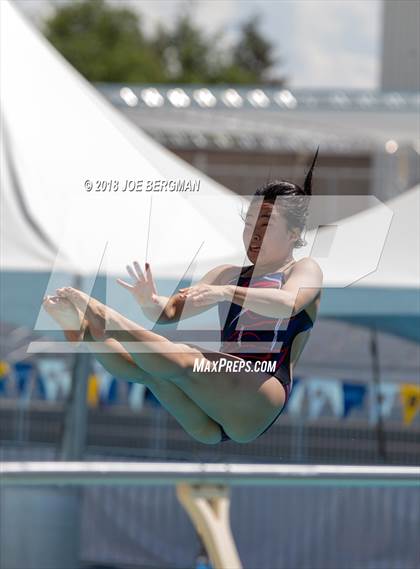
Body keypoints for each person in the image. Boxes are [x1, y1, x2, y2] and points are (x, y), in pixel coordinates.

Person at [43, 150, 322, 444]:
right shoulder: (227, 274)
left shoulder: (303, 270)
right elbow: (169, 312)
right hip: (212, 412)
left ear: (294, 234)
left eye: (266, 226)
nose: (253, 235)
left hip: (259, 397)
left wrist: (226, 292)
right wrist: (150, 301)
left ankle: (104, 315)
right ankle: (86, 332)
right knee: (151, 372)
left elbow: (289, 303)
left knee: (185, 359)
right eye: (249, 224)